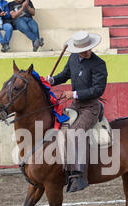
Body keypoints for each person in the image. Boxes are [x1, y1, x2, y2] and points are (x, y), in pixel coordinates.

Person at [47, 31, 108, 193]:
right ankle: (66, 169)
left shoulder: (99, 64)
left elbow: (98, 90)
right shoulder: (73, 58)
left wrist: (73, 94)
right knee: (62, 130)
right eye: (83, 50)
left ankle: (79, 175)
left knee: (76, 132)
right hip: (75, 105)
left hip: (90, 107)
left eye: (88, 49)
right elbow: (65, 75)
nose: (86, 52)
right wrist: (52, 81)